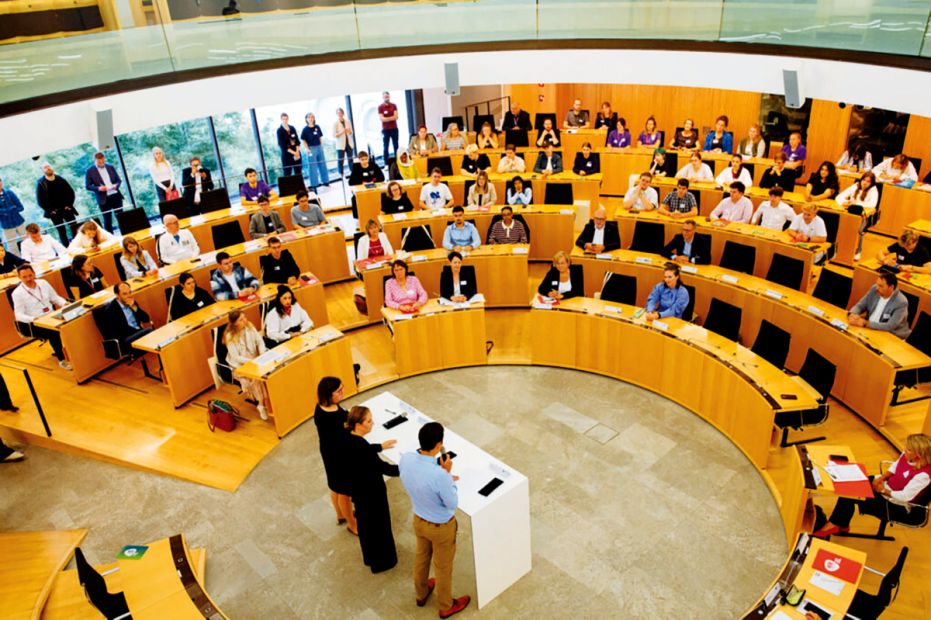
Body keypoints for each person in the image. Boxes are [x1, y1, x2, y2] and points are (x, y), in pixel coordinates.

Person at [398, 422, 470, 618]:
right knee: (443, 567)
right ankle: (446, 605)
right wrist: (446, 474)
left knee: (421, 557)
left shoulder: (406, 459)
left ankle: (421, 593)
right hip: (441, 528)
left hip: (419, 520)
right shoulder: (440, 476)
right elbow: (451, 503)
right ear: (439, 446)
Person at [814, 433, 931, 539]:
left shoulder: (923, 476)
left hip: (895, 503)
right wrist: (881, 478)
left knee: (851, 494)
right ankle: (841, 523)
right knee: (851, 485)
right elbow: (895, 467)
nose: (905, 450)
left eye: (909, 449)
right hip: (887, 486)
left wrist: (883, 490)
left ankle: (836, 524)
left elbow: (905, 496)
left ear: (918, 456)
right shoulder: (906, 456)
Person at [344, 405, 400, 574]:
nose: (372, 423)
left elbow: (364, 449)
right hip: (371, 493)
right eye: (369, 421)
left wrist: (379, 447)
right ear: (359, 425)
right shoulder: (362, 449)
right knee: (379, 526)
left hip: (359, 491)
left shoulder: (349, 438)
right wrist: (409, 467)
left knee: (367, 527)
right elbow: (385, 468)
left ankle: (370, 557)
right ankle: (383, 561)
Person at [314, 377, 356, 533]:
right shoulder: (328, 417)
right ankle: (352, 524)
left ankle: (340, 515)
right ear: (328, 394)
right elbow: (342, 436)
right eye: (339, 391)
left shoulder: (324, 408)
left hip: (330, 453)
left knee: (335, 486)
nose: (342, 392)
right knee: (344, 492)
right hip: (338, 456)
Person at [11, 264, 70, 369]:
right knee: (53, 333)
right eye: (24, 277)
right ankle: (62, 360)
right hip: (35, 322)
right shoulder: (17, 293)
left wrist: (64, 304)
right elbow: (18, 315)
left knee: (73, 319)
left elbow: (55, 297)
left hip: (51, 316)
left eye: (30, 275)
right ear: (19, 278)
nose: (29, 279)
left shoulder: (43, 283)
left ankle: (71, 350)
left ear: (34, 274)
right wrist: (33, 319)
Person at [223, 309, 269, 419]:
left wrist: (262, 353)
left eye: (245, 317)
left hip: (253, 362)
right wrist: (251, 361)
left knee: (263, 374)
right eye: (241, 319)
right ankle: (261, 405)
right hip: (238, 366)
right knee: (256, 379)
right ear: (235, 323)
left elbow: (260, 341)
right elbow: (236, 357)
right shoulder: (229, 336)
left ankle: (263, 402)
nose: (245, 321)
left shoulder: (250, 327)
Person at [837, 171, 880, 260]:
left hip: (864, 215)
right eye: (864, 180)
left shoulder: (873, 190)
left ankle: (858, 250)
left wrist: (856, 203)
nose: (865, 183)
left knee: (860, 229)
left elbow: (872, 204)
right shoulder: (856, 185)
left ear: (871, 183)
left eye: (868, 181)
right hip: (850, 212)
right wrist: (844, 202)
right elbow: (839, 197)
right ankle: (842, 249)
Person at [100, 281, 153, 349]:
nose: (129, 296)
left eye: (130, 292)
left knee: (151, 333)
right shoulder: (111, 310)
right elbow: (115, 333)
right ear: (117, 295)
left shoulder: (132, 302)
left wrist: (134, 307)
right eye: (125, 294)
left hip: (138, 332)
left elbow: (146, 319)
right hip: (125, 339)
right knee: (149, 331)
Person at [35, 162, 78, 245]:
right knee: (61, 231)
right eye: (45, 167)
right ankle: (66, 249)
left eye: (48, 166)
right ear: (42, 170)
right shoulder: (40, 183)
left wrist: (69, 205)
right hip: (54, 212)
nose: (48, 168)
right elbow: (40, 200)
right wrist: (50, 210)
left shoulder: (61, 179)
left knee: (74, 227)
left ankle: (77, 245)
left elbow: (71, 193)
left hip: (66, 208)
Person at [84, 152, 123, 233]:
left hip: (115, 195)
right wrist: (99, 188)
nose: (102, 163)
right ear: (95, 161)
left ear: (104, 159)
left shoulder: (110, 166)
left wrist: (116, 186)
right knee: (107, 220)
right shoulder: (90, 171)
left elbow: (119, 180)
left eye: (103, 161)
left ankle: (126, 235)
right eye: (99, 162)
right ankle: (111, 240)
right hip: (103, 199)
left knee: (121, 217)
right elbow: (87, 186)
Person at [301, 113, 330, 189]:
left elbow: (320, 137)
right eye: (309, 117)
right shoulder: (305, 129)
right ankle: (314, 185)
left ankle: (325, 181)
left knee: (323, 164)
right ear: (306, 119)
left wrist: (321, 145)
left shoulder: (317, 127)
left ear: (314, 118)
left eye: (312, 117)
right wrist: (307, 149)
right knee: (312, 167)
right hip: (311, 148)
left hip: (319, 147)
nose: (311, 118)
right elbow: (303, 140)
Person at [0, 177, 26, 249]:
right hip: (7, 225)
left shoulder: (10, 192)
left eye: (0, 181)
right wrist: (10, 209)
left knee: (27, 241)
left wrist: (11, 210)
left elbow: (21, 207)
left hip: (19, 221)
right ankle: (16, 260)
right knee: (12, 246)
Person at [277, 113, 302, 177]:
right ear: (281, 119)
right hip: (287, 155)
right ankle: (289, 187)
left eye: (286, 119)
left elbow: (297, 141)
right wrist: (294, 153)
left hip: (296, 153)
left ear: (288, 119)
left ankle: (299, 186)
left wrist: (297, 152)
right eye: (283, 119)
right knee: (287, 173)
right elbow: (282, 145)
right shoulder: (279, 130)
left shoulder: (292, 128)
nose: (285, 120)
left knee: (298, 172)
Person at [378, 91, 400, 164]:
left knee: (396, 146)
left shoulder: (394, 105)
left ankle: (397, 162)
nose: (386, 98)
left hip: (394, 129)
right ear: (383, 97)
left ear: (389, 97)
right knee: (385, 147)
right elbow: (382, 119)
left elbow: (396, 117)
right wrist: (391, 118)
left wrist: (386, 118)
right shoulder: (380, 107)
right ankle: (386, 163)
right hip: (385, 130)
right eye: (385, 96)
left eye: (387, 96)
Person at [333, 107, 355, 178]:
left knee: (350, 159)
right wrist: (343, 131)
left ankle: (352, 172)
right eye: (338, 113)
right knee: (341, 160)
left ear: (343, 113)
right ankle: (341, 174)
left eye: (341, 112)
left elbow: (351, 132)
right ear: (337, 114)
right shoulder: (335, 123)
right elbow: (334, 135)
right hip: (340, 144)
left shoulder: (347, 121)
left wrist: (348, 131)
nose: (340, 114)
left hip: (349, 143)